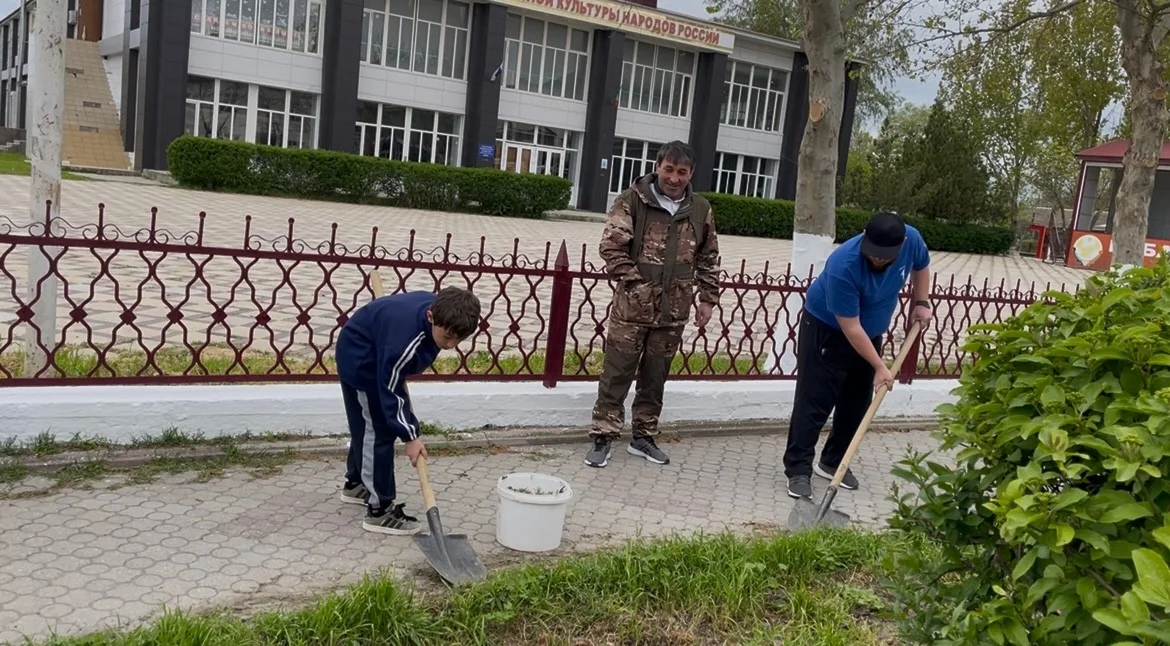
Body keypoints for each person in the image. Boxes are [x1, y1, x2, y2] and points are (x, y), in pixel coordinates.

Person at [585, 140, 722, 468]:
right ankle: (603, 436)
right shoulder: (633, 200)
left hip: (673, 312)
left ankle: (643, 437)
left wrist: (708, 299)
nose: (674, 178)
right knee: (617, 371)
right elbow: (611, 248)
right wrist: (636, 284)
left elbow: (709, 256)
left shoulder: (700, 209)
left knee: (655, 375)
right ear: (657, 167)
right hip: (632, 310)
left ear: (691, 174)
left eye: (682, 172)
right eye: (669, 169)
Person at [782, 211, 932, 499]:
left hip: (870, 331)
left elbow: (922, 265)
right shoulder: (844, 264)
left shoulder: (911, 239)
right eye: (874, 254)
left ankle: (833, 461)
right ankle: (799, 469)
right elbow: (850, 328)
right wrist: (880, 366)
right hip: (827, 327)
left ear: (900, 246)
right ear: (865, 236)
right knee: (815, 400)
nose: (878, 260)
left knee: (856, 401)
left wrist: (921, 302)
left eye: (885, 256)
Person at [334, 286, 482, 534]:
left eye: (459, 339)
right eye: (447, 337)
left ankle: (357, 483)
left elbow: (394, 376)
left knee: (365, 426)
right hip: (364, 364)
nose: (451, 345)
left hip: (365, 346)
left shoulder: (444, 310)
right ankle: (379, 510)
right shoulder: (402, 342)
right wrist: (410, 437)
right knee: (378, 433)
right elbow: (390, 389)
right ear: (431, 317)